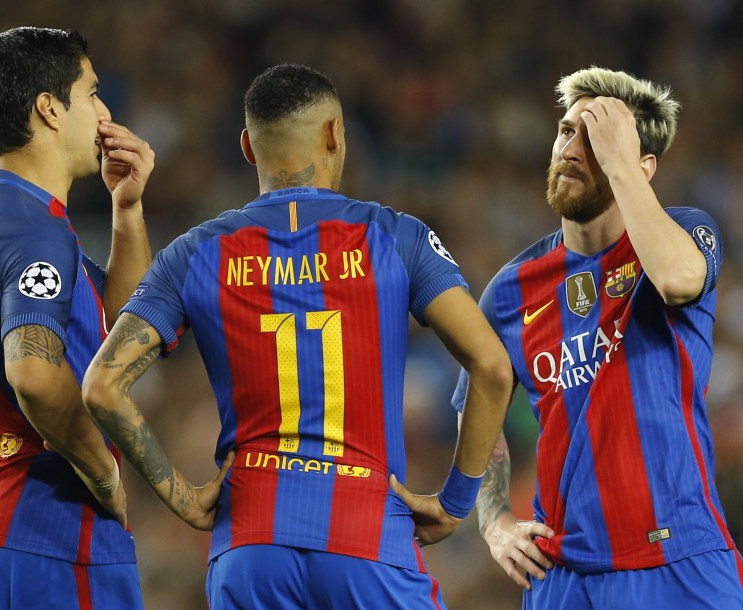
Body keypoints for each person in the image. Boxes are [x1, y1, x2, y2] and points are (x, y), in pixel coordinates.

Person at [81, 63, 513, 609]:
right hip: (367, 542)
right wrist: (454, 503)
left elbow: (102, 384)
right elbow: (493, 367)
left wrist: (183, 498)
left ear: (246, 147)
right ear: (335, 134)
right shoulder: (395, 237)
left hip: (249, 548)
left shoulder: (196, 252)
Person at [452, 67, 743, 609]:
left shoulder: (685, 233)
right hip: (563, 578)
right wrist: (494, 522)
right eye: (567, 130)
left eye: (595, 138)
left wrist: (621, 164)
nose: (570, 148)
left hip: (679, 561)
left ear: (640, 166)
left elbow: (679, 281)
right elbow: (476, 409)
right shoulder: (509, 291)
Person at [0, 26, 157, 608]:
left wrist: (126, 211)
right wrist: (102, 469)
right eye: (92, 92)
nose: (105, 112)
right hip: (52, 530)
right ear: (50, 109)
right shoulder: (33, 228)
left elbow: (118, 327)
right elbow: (32, 372)